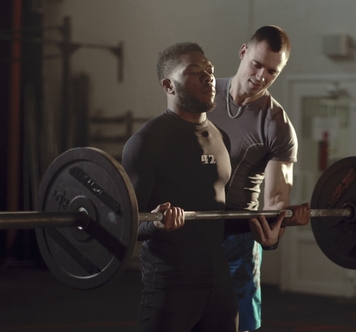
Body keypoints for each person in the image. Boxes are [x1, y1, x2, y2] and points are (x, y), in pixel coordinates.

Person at [121, 42, 284, 332]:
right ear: (169, 85)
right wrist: (157, 224)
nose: (208, 77)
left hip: (218, 280)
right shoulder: (147, 141)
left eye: (209, 70)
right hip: (170, 284)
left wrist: (265, 227)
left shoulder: (220, 138)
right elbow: (125, 224)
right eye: (195, 72)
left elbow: (218, 217)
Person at [208, 26, 311, 332]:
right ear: (243, 52)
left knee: (242, 325)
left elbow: (277, 198)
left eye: (272, 71)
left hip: (239, 237)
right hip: (193, 230)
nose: (261, 76)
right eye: (256, 64)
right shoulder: (203, 100)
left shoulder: (277, 124)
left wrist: (274, 233)